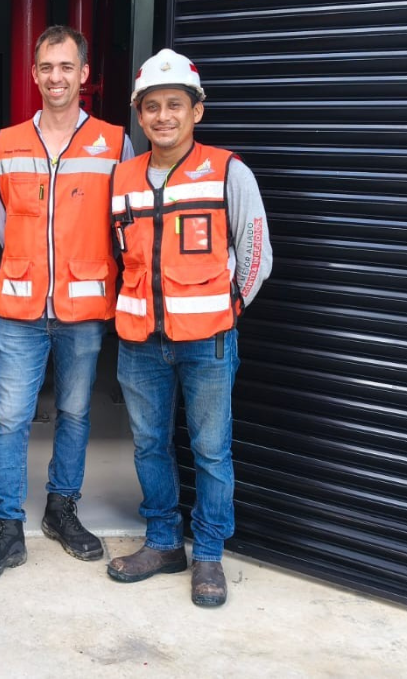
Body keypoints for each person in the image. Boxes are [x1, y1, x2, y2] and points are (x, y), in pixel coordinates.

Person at [0, 25, 135, 586]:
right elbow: (0, 220)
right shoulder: (6, 142)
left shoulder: (113, 141)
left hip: (83, 307)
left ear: (84, 74)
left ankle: (62, 510)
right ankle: (7, 526)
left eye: (67, 67)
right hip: (20, 305)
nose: (56, 77)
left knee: (76, 413)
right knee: (10, 418)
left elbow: (122, 223)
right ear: (33, 74)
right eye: (46, 67)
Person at [106, 48, 272, 607]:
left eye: (175, 104)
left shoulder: (228, 169)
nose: (163, 116)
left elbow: (255, 253)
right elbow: (117, 253)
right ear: (140, 114)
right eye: (151, 107)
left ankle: (207, 556)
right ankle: (161, 542)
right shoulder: (122, 177)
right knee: (150, 445)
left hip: (209, 340)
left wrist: (229, 308)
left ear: (196, 110)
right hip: (139, 342)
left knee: (210, 450)